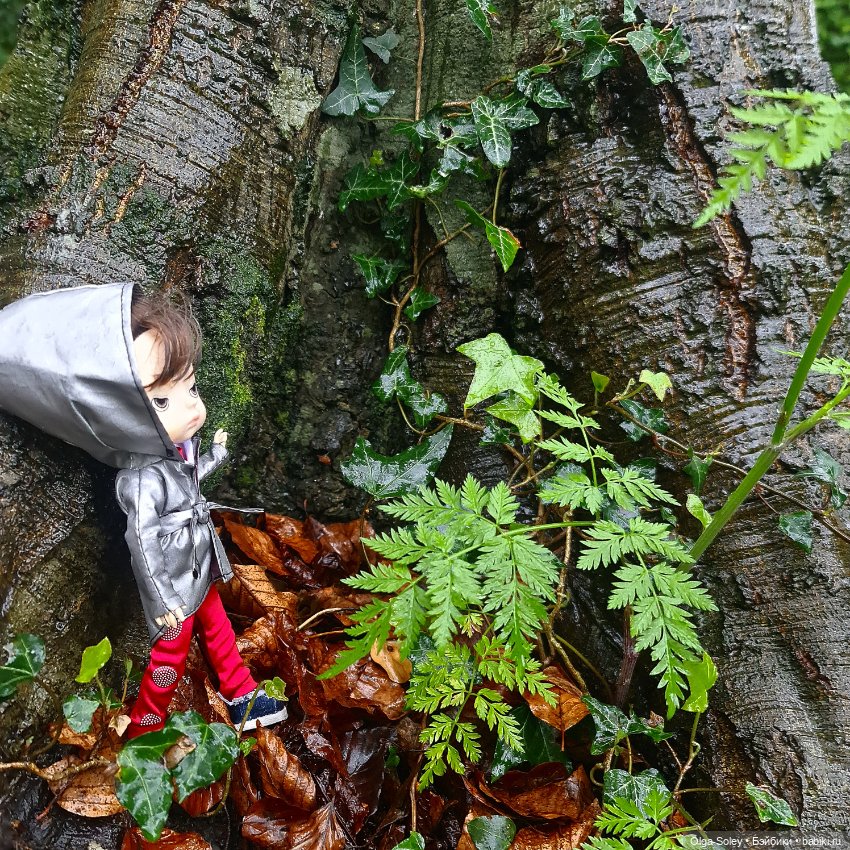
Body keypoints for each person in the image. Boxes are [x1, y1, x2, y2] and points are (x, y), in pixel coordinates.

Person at [0, 282, 287, 738]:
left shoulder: (176, 453)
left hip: (198, 560)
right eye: (162, 401)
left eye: (191, 389)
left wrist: (214, 455)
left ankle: (242, 695)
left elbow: (190, 481)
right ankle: (144, 729)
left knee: (220, 632)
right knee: (167, 660)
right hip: (173, 582)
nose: (191, 410)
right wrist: (163, 604)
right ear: (123, 414)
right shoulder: (139, 480)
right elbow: (144, 544)